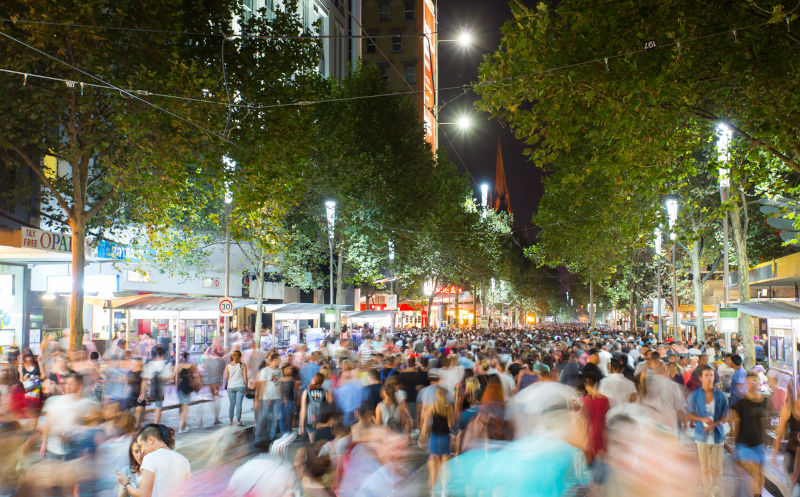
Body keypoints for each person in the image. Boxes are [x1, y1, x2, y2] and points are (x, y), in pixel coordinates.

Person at [685, 365, 729, 497]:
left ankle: (717, 493)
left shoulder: (721, 396)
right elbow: (688, 414)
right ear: (700, 378)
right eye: (706, 375)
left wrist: (714, 424)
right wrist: (701, 419)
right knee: (705, 469)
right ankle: (709, 493)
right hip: (701, 435)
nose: (709, 378)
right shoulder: (694, 395)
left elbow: (726, 416)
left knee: (717, 468)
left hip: (718, 435)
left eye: (711, 375)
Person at [117, 424, 189, 497]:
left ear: (150, 440)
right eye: (136, 451)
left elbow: (144, 494)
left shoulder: (150, 457)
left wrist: (126, 484)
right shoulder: (183, 460)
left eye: (141, 445)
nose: (142, 451)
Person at [39, 372, 93, 459]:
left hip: (74, 449)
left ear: (80, 386)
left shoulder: (86, 403)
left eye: (71, 383)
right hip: (54, 448)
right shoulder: (56, 401)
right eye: (66, 383)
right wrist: (44, 443)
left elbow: (89, 425)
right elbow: (47, 423)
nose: (67, 386)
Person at [732, 373, 767, 497]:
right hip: (744, 443)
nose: (751, 384)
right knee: (755, 473)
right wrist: (736, 445)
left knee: (760, 475)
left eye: (753, 381)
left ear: (758, 383)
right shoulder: (740, 403)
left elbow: (764, 423)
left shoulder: (764, 401)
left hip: (759, 444)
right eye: (748, 382)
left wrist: (765, 442)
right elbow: (737, 424)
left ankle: (758, 494)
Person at [420, 387, 454, 491]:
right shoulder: (449, 408)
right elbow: (451, 424)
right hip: (444, 437)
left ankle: (434, 488)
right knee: (445, 465)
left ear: (436, 395)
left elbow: (425, 424)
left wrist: (422, 436)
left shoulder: (431, 407)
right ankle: (444, 489)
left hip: (434, 437)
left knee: (433, 464)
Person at [140, 346, 172, 425]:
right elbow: (168, 378)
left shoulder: (149, 364)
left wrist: (143, 393)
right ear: (163, 354)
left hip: (148, 389)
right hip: (158, 389)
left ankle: (138, 423)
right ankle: (155, 424)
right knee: (158, 407)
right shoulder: (165, 363)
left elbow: (144, 378)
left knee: (141, 405)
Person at [299, 372, 333, 443]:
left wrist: (301, 426)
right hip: (323, 422)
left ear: (313, 380)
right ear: (322, 381)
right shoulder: (327, 392)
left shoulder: (306, 392)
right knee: (324, 443)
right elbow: (331, 409)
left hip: (310, 422)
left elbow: (303, 410)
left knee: (313, 444)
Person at [257, 353, 282, 440]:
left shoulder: (279, 371)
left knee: (275, 417)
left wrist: (284, 397)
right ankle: (260, 435)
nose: (280, 361)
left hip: (277, 397)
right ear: (274, 360)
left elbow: (280, 384)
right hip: (267, 397)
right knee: (265, 416)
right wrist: (266, 397)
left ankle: (272, 436)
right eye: (279, 359)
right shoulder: (265, 371)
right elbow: (263, 385)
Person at [175, 352, 198, 433]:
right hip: (187, 388)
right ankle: (181, 426)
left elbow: (176, 379)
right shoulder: (191, 366)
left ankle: (185, 424)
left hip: (180, 388)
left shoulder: (178, 367)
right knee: (185, 408)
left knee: (182, 407)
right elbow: (196, 372)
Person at [224, 350, 248, 426]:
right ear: (240, 356)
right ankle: (238, 421)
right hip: (240, 386)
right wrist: (246, 385)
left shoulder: (227, 365)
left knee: (232, 404)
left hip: (230, 387)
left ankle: (230, 421)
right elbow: (245, 377)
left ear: (233, 356)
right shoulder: (242, 365)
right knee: (239, 404)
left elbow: (226, 377)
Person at [280, 363, 297, 435]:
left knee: (290, 416)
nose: (289, 370)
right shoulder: (280, 378)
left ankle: (288, 431)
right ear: (283, 370)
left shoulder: (292, 379)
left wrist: (297, 399)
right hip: (282, 400)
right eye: (288, 369)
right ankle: (284, 432)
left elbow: (295, 390)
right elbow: (280, 389)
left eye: (291, 369)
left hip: (291, 399)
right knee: (283, 416)